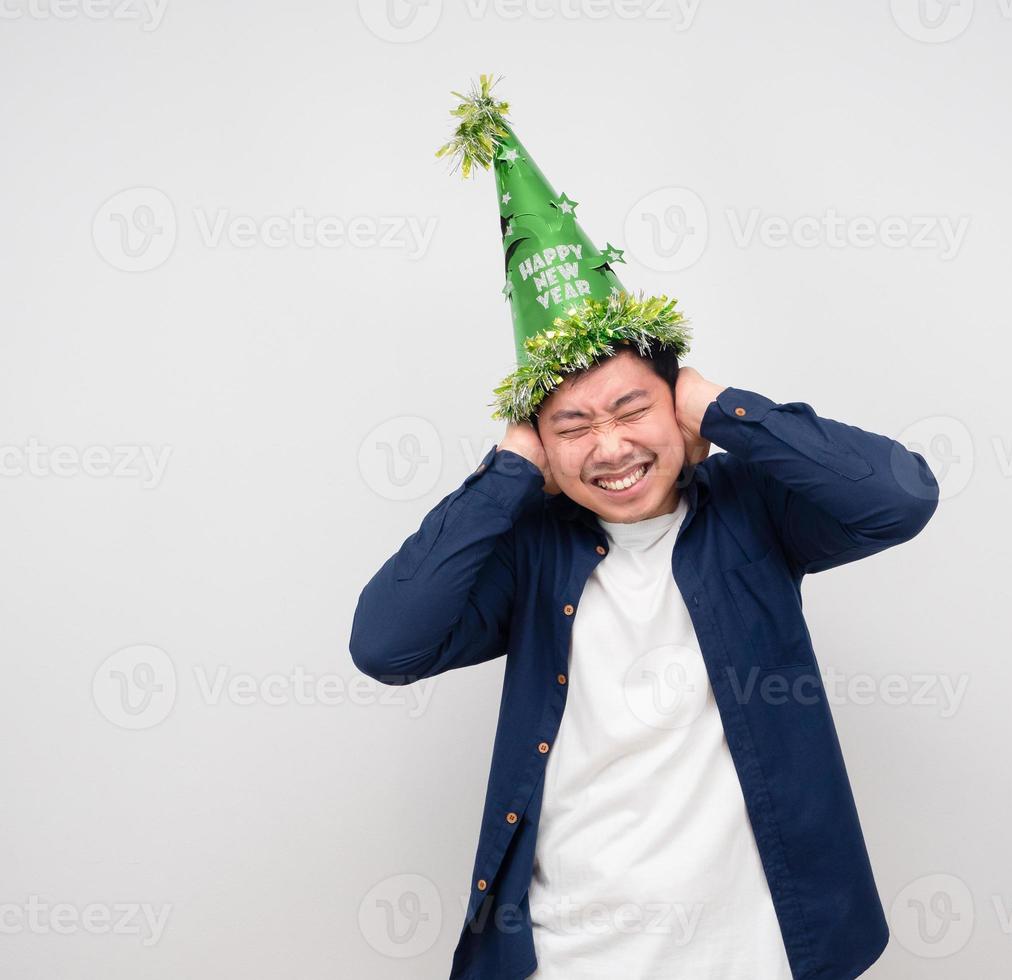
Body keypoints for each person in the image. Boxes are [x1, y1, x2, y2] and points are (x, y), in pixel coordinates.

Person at [349, 75, 940, 980]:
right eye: (573, 427)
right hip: (571, 952)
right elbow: (386, 643)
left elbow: (898, 497)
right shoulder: (531, 550)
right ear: (541, 446)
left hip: (757, 949)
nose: (611, 448)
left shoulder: (755, 512)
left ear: (677, 407)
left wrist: (723, 407)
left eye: (633, 410)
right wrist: (507, 473)